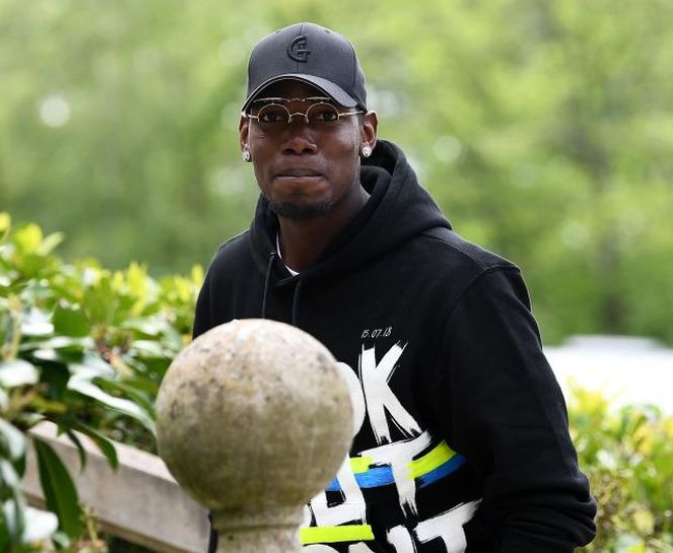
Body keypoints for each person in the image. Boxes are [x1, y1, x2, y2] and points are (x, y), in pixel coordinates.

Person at [193, 22, 596, 553]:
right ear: (246, 136)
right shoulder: (231, 283)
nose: (298, 138)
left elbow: (549, 508)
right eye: (273, 117)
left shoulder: (462, 288)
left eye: (325, 116)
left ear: (366, 133)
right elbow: (227, 494)